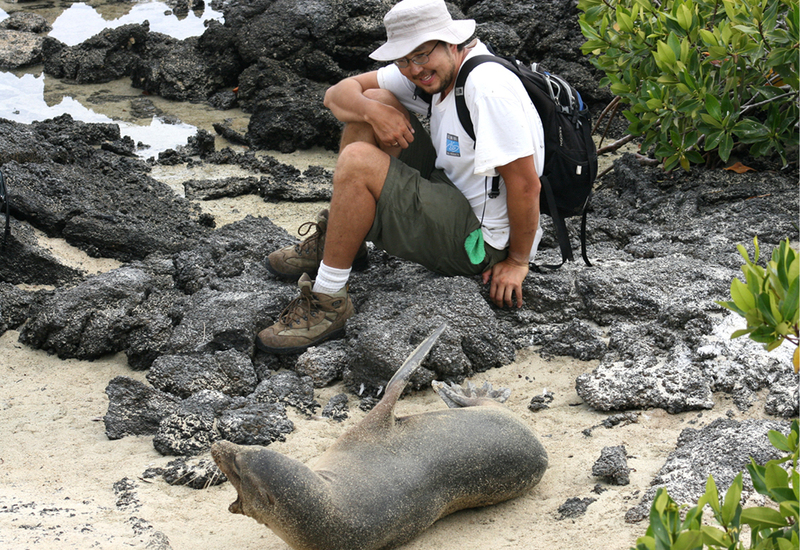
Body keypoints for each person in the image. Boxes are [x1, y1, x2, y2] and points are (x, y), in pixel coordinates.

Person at [257, 0, 545, 354]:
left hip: (479, 241)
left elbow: (526, 184)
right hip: (450, 190)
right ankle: (343, 239)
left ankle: (329, 300)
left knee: (359, 161)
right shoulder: (435, 70)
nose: (414, 69)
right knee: (373, 101)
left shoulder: (485, 87)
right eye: (403, 60)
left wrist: (517, 262)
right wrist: (372, 112)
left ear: (450, 42)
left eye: (422, 55)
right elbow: (336, 95)